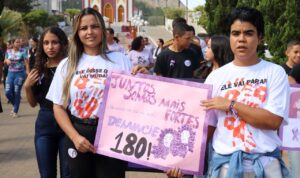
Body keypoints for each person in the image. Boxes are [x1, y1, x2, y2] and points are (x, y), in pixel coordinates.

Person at [46, 8, 146, 178]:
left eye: (94, 26)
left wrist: (143, 78)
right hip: (79, 133)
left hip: (113, 134)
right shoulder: (67, 64)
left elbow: (136, 100)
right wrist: (75, 137)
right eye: (83, 28)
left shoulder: (120, 60)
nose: (89, 32)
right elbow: (58, 107)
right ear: (77, 33)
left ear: (102, 29)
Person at [201, 7, 290, 178]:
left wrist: (231, 104)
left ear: (260, 38)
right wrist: (182, 161)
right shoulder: (216, 77)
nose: (241, 39)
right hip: (225, 168)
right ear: (230, 37)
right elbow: (205, 130)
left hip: (266, 167)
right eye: (235, 33)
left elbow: (273, 120)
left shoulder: (275, 72)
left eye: (249, 33)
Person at [24, 27, 70, 178]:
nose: (50, 47)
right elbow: (32, 104)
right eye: (46, 43)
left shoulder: (72, 67)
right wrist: (27, 87)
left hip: (68, 125)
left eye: (54, 42)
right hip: (45, 126)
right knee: (46, 174)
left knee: (68, 174)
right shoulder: (39, 70)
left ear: (63, 43)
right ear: (41, 46)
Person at [4, 38, 29, 118]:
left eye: (19, 42)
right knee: (7, 92)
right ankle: (15, 105)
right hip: (10, 73)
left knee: (16, 91)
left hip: (20, 74)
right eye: (17, 42)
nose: (19, 43)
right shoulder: (8, 51)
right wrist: (7, 60)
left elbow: (26, 62)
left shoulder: (23, 51)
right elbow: (5, 60)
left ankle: (15, 111)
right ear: (12, 43)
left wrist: (28, 72)